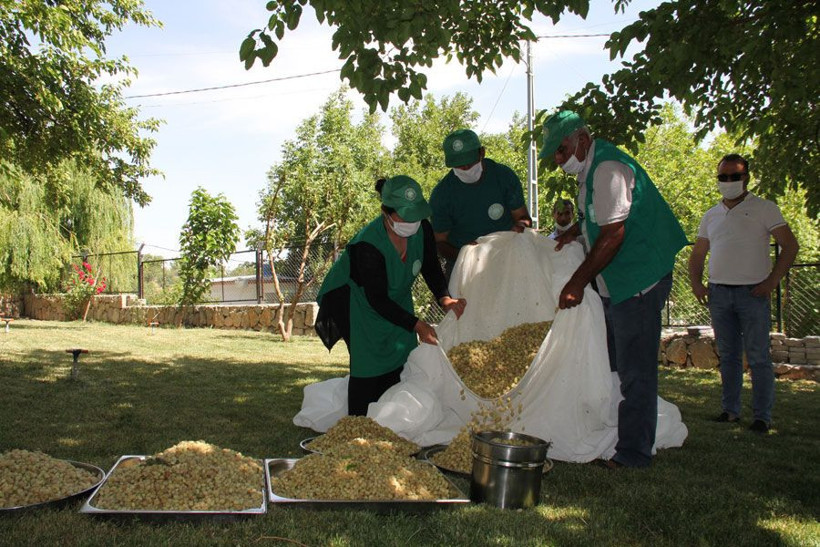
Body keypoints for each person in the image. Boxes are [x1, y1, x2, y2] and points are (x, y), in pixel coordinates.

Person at [539, 110, 688, 469]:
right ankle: (616, 432)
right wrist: (573, 232)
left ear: (582, 140)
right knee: (614, 363)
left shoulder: (608, 170)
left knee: (635, 368)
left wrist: (576, 282)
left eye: (561, 150)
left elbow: (613, 235)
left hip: (637, 279)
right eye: (555, 154)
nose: (558, 160)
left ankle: (634, 454)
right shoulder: (591, 170)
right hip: (618, 280)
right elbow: (597, 218)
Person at [314, 175, 467, 416]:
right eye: (405, 216)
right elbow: (377, 299)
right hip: (360, 306)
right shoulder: (367, 245)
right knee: (370, 367)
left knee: (401, 360)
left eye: (417, 214)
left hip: (397, 302)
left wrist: (444, 298)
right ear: (386, 212)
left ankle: (394, 422)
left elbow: (430, 266)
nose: (412, 221)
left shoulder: (422, 228)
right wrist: (417, 324)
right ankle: (359, 425)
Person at [688, 154, 798, 434]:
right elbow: (698, 252)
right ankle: (730, 411)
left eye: (734, 176)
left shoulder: (765, 208)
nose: (728, 182)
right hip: (718, 294)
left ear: (746, 177)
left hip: (754, 294)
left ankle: (762, 416)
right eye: (723, 177)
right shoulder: (711, 214)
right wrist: (696, 283)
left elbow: (790, 246)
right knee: (729, 355)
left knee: (759, 357)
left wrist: (772, 281)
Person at [430, 129, 532, 276]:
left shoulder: (503, 177)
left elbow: (523, 218)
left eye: (469, 162)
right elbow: (440, 242)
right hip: (464, 266)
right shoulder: (442, 195)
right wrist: (465, 254)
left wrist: (521, 227)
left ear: (482, 153)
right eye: (458, 165)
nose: (465, 168)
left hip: (508, 258)